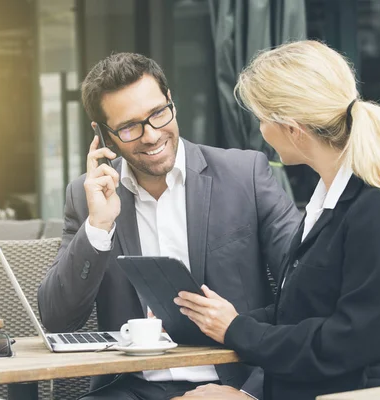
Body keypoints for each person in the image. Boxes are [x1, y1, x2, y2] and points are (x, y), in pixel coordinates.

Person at [174, 40, 380, 400]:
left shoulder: (379, 208)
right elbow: (301, 309)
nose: (261, 130)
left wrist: (238, 330)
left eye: (263, 119)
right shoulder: (329, 200)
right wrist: (223, 321)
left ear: (292, 128)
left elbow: (350, 341)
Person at [37, 52, 300, 400]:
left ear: (170, 101)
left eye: (158, 114)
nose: (151, 135)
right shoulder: (87, 195)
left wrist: (251, 394)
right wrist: (99, 225)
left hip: (233, 384)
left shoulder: (245, 175)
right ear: (104, 134)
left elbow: (306, 289)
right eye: (130, 126)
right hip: (128, 389)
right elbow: (58, 319)